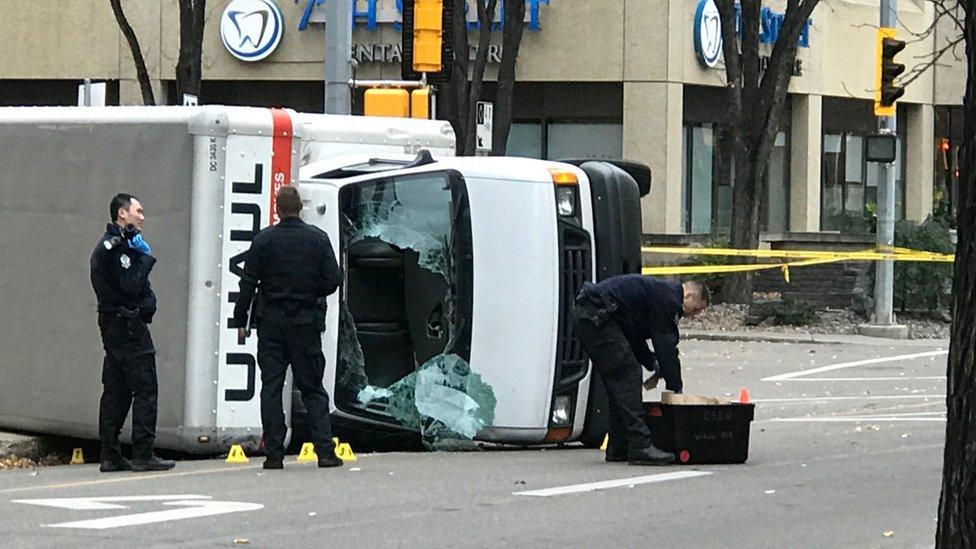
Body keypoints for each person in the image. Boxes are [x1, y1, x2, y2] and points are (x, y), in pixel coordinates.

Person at [232, 186, 344, 470]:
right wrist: (309, 292)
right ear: (300, 208)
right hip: (305, 322)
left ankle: (274, 453)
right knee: (312, 388)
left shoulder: (263, 241)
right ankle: (325, 452)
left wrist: (240, 318)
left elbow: (247, 284)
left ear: (277, 208)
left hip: (271, 323)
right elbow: (333, 279)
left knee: (271, 387)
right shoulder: (318, 239)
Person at [572, 275, 710, 466]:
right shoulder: (669, 300)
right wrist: (675, 388)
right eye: (695, 309)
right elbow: (666, 345)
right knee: (628, 375)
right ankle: (640, 446)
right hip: (597, 317)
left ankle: (619, 446)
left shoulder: (657, 295)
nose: (691, 315)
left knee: (619, 382)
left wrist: (651, 362)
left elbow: (632, 334)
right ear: (688, 294)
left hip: (591, 316)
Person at [90, 193, 175, 472]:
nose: (142, 216)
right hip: (128, 328)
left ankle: (110, 454)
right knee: (145, 388)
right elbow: (131, 286)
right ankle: (142, 452)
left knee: (117, 389)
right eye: (137, 210)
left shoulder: (114, 245)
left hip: (115, 327)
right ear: (121, 214)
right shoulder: (118, 249)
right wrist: (144, 257)